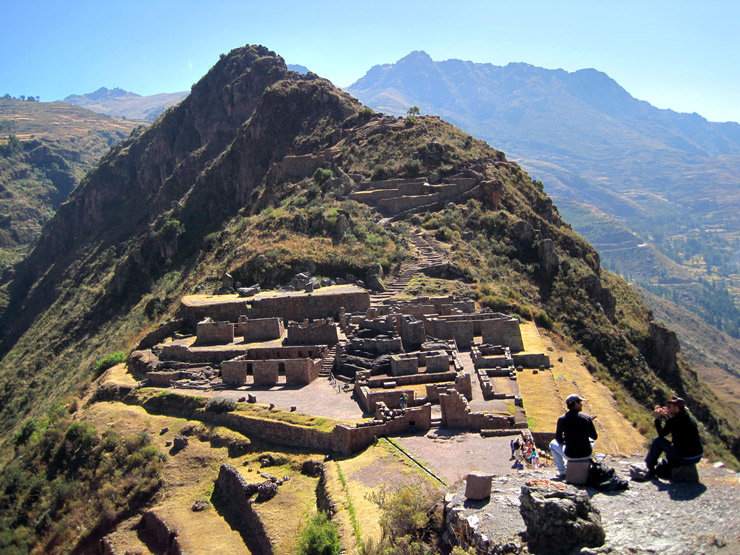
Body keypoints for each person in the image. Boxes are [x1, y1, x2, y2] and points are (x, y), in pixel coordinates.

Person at [645, 396, 702, 478]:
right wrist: (668, 418)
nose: (668, 408)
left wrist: (657, 419)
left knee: (658, 441)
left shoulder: (674, 421)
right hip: (697, 456)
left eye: (670, 407)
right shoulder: (689, 418)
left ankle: (650, 468)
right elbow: (676, 429)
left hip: (684, 457)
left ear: (677, 408)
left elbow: (662, 434)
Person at [549, 394, 598, 478]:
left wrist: (567, 439)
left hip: (570, 454)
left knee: (552, 444)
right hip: (586, 453)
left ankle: (562, 471)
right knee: (592, 442)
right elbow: (594, 437)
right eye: (580, 402)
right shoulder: (586, 418)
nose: (581, 404)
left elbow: (558, 439)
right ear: (575, 403)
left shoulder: (562, 419)